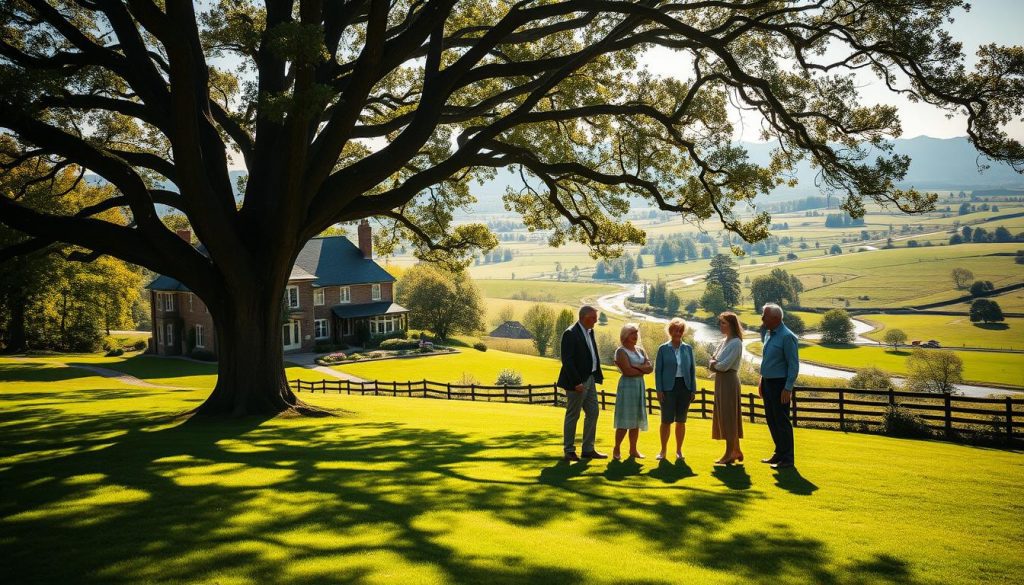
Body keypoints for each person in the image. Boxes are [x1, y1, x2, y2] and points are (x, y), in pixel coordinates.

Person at [557, 306, 606, 461]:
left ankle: (588, 449)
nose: (596, 321)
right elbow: (567, 361)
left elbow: (592, 355)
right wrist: (576, 382)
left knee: (593, 412)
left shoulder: (590, 332)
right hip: (577, 382)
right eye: (593, 318)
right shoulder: (570, 333)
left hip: (590, 379)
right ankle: (569, 450)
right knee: (573, 415)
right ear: (583, 317)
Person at [758, 303, 799, 469]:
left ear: (775, 318)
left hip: (780, 384)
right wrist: (762, 381)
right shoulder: (769, 334)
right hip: (768, 382)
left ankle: (788, 458)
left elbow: (793, 365)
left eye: (764, 316)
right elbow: (768, 361)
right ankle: (779, 453)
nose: (762, 318)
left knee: (781, 421)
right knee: (772, 420)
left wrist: (788, 388)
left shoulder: (787, 336)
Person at [654, 318, 696, 461]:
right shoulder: (663, 349)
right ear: (670, 331)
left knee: (681, 421)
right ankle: (663, 450)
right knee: (666, 421)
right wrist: (659, 390)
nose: (678, 333)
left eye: (680, 331)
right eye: (675, 330)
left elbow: (692, 370)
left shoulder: (688, 349)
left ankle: (679, 451)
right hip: (668, 389)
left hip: (685, 388)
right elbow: (657, 371)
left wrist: (693, 390)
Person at [612, 323, 652, 459]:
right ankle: (616, 448)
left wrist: (636, 366)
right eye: (632, 333)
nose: (635, 336)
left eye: (636, 333)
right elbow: (627, 371)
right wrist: (641, 368)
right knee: (625, 420)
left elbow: (650, 368)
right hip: (627, 387)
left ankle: (633, 450)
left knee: (636, 420)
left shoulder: (640, 350)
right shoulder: (621, 351)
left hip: (639, 386)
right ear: (625, 336)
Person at [709, 312, 744, 465]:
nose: (721, 326)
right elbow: (713, 359)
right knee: (724, 415)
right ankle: (736, 450)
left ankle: (729, 453)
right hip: (721, 381)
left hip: (729, 381)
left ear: (731, 325)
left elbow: (722, 365)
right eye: (721, 323)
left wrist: (714, 363)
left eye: (724, 323)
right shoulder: (724, 341)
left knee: (729, 417)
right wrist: (714, 363)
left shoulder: (736, 343)